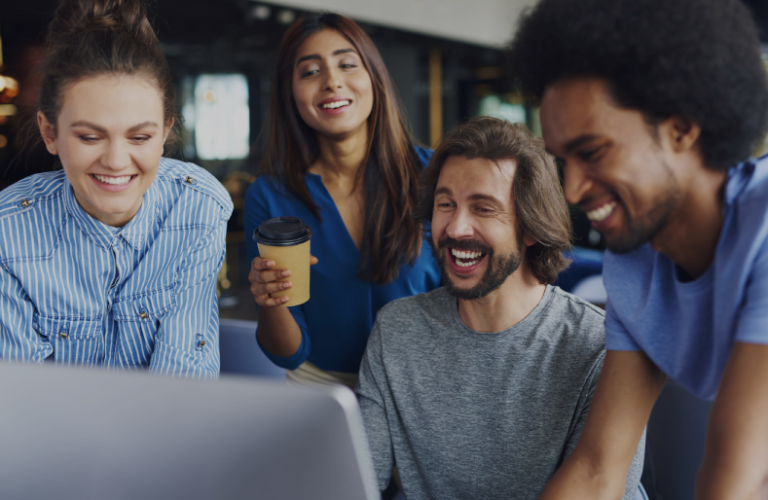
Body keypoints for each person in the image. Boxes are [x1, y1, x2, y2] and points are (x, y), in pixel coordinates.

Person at [507, 0, 768, 498]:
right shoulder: (636, 262)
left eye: (594, 152)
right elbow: (597, 469)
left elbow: (736, 478)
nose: (573, 191)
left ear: (682, 128)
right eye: (564, 161)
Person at [355, 117, 644, 499]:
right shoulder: (396, 330)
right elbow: (356, 482)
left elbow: (602, 485)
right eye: (446, 204)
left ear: (530, 227)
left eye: (483, 208)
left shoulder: (598, 347)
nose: (456, 228)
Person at [0, 0, 233, 378]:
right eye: (91, 137)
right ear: (50, 133)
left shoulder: (197, 206)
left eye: (140, 136)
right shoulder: (8, 232)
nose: (116, 160)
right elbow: (26, 400)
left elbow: (183, 381)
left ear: (165, 132)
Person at [245, 13, 440, 389]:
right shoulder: (269, 195)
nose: (332, 81)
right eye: (309, 72)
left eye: (347, 64)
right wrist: (270, 301)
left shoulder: (433, 174)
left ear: (374, 77)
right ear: (290, 93)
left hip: (423, 387)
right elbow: (287, 352)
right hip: (321, 391)